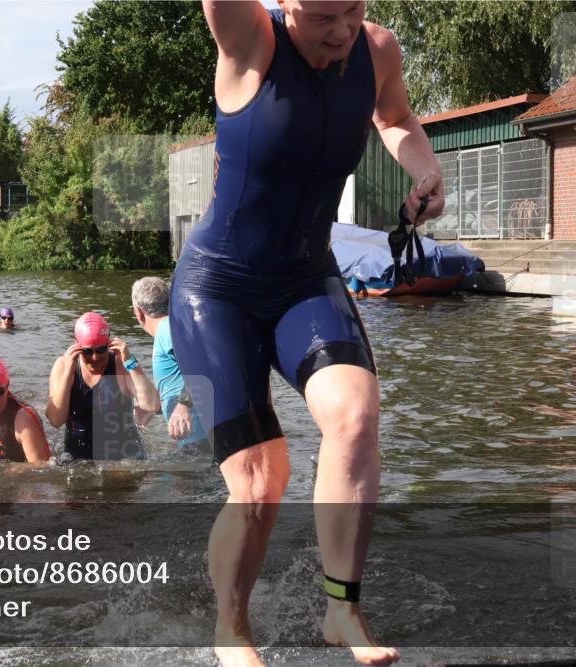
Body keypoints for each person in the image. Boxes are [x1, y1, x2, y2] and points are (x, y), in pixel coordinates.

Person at [170, 3, 446, 666]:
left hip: (305, 280)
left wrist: (425, 169)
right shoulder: (248, 40)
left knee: (356, 413)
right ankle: (230, 626)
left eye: (353, 8)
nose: (343, 29)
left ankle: (341, 610)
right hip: (218, 291)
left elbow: (397, 119)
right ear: (287, 5)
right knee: (263, 478)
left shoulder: (380, 50)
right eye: (323, 15)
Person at [46, 312, 159, 461]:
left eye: (100, 350)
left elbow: (153, 405)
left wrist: (131, 363)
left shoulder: (121, 363)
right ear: (77, 346)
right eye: (87, 351)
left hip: (123, 453)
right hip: (77, 453)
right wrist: (68, 374)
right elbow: (55, 420)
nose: (95, 358)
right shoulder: (63, 366)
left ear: (108, 344)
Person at [131, 277, 209, 454]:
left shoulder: (167, 330)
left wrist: (183, 405)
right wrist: (156, 408)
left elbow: (203, 366)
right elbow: (180, 379)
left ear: (139, 312)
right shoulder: (173, 327)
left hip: (200, 439)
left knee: (162, 480)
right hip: (201, 437)